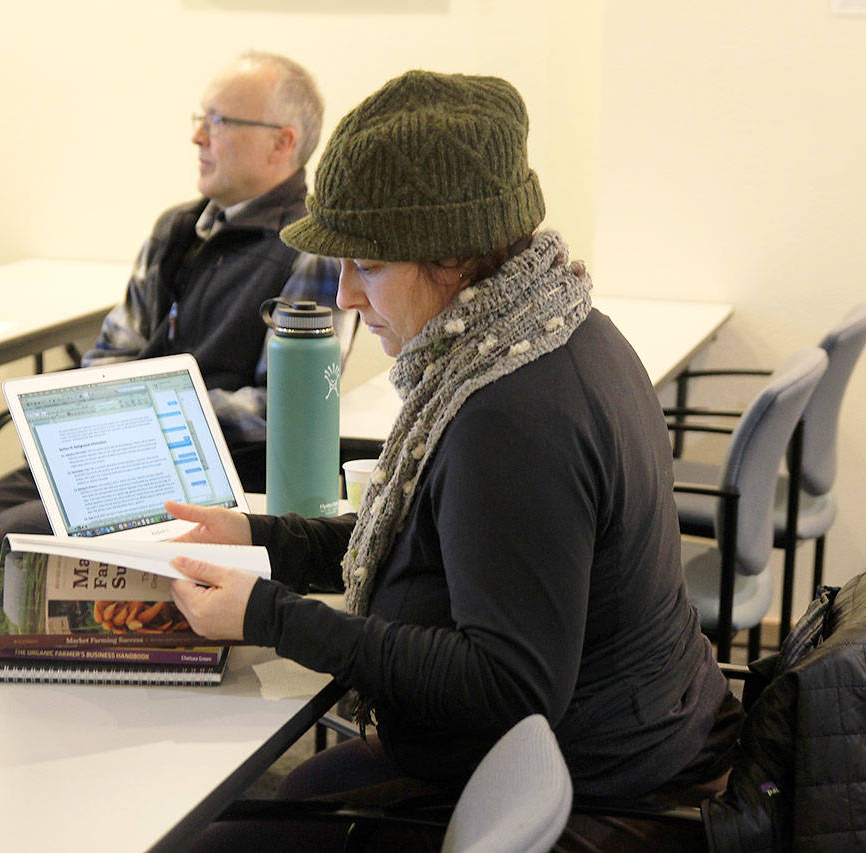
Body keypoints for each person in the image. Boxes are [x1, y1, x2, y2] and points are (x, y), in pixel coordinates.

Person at [165, 70, 741, 852]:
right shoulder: (550, 331)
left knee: (217, 837)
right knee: (287, 793)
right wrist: (261, 537)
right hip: (627, 739)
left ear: (455, 260)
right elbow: (427, 540)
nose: (344, 296)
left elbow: (505, 682)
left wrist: (266, 616)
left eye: (366, 265)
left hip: (595, 787)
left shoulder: (513, 412)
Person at [0, 52, 340, 618]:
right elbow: (114, 349)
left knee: (5, 546)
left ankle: (72, 668)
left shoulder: (313, 245)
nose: (197, 137)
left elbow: (287, 409)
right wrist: (103, 413)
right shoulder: (177, 228)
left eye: (219, 122)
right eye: (199, 117)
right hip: (113, 448)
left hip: (211, 471)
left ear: (282, 143)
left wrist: (156, 416)